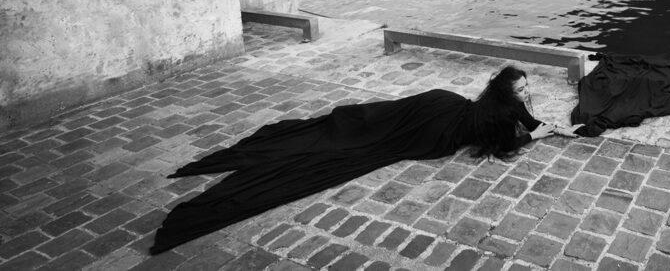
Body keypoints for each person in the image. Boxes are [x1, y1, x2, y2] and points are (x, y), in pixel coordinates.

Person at [150, 66, 578, 254]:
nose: (524, 94)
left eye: (525, 89)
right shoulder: (500, 116)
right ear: (506, 90)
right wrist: (530, 140)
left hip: (441, 102)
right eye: (520, 89)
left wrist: (555, 128)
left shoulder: (503, 102)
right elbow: (506, 145)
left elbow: (531, 119)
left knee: (372, 121)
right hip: (438, 127)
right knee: (373, 144)